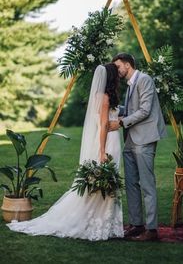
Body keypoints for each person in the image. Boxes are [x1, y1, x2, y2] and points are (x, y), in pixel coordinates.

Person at [7, 64, 124, 241]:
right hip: (106, 143)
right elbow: (103, 126)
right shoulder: (105, 97)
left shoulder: (102, 96)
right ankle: (96, 222)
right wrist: (101, 151)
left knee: (108, 182)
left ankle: (105, 222)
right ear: (112, 78)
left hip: (111, 141)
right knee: (104, 181)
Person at [110, 53, 167, 241]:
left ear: (127, 64)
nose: (117, 70)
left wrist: (121, 122)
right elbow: (131, 110)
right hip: (130, 140)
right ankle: (136, 225)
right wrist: (111, 111)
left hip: (144, 138)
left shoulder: (145, 80)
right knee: (131, 183)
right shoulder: (130, 84)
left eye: (118, 66)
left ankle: (151, 230)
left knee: (147, 184)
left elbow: (144, 110)